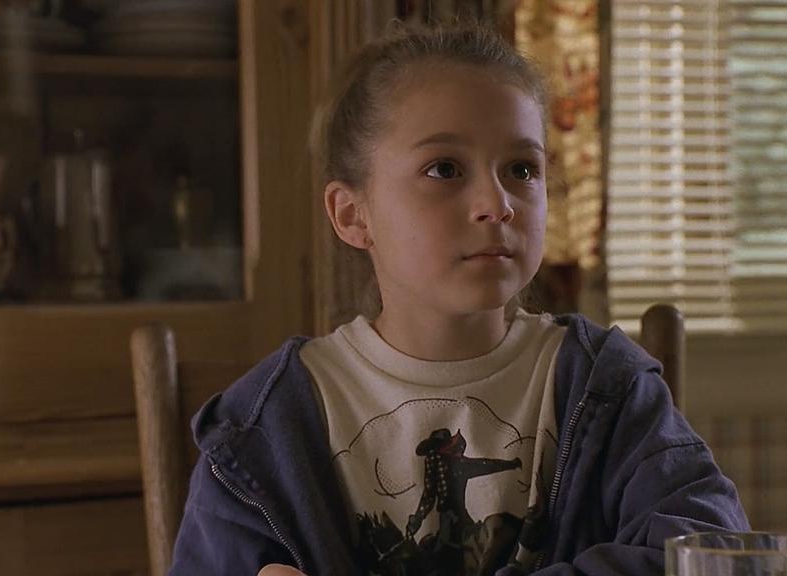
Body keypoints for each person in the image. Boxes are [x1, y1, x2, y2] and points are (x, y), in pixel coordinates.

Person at [170, 24, 749, 576]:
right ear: (352, 215)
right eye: (444, 169)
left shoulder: (606, 386)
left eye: (521, 169)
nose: (497, 204)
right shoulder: (264, 426)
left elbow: (712, 552)